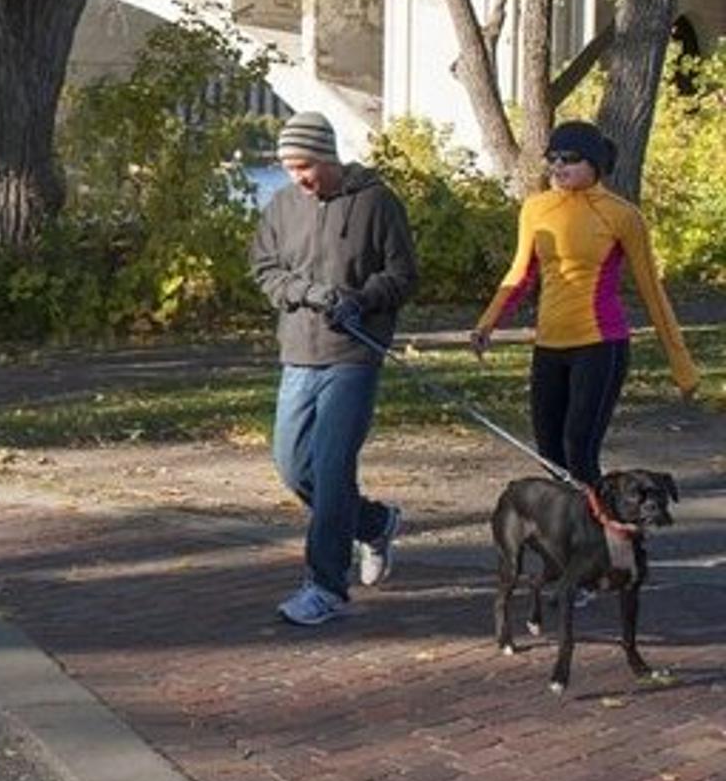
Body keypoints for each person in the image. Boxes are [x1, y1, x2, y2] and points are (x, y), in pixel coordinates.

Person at [249, 111, 418, 626]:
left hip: (353, 355)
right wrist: (303, 292)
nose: (298, 178)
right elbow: (264, 269)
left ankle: (325, 587)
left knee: (331, 468)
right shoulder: (280, 206)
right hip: (299, 353)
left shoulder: (377, 202)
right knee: (293, 466)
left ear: (327, 156)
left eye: (304, 166)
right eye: (288, 168)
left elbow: (403, 274)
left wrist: (361, 300)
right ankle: (373, 522)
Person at [471, 120, 698, 488]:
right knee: (549, 452)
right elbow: (521, 272)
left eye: (571, 159)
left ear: (594, 163)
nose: (559, 167)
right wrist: (487, 323)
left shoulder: (622, 215)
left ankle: (601, 534)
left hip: (599, 344)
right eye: (553, 159)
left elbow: (652, 292)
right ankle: (571, 532)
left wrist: (682, 365)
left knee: (579, 448)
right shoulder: (535, 208)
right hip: (549, 345)